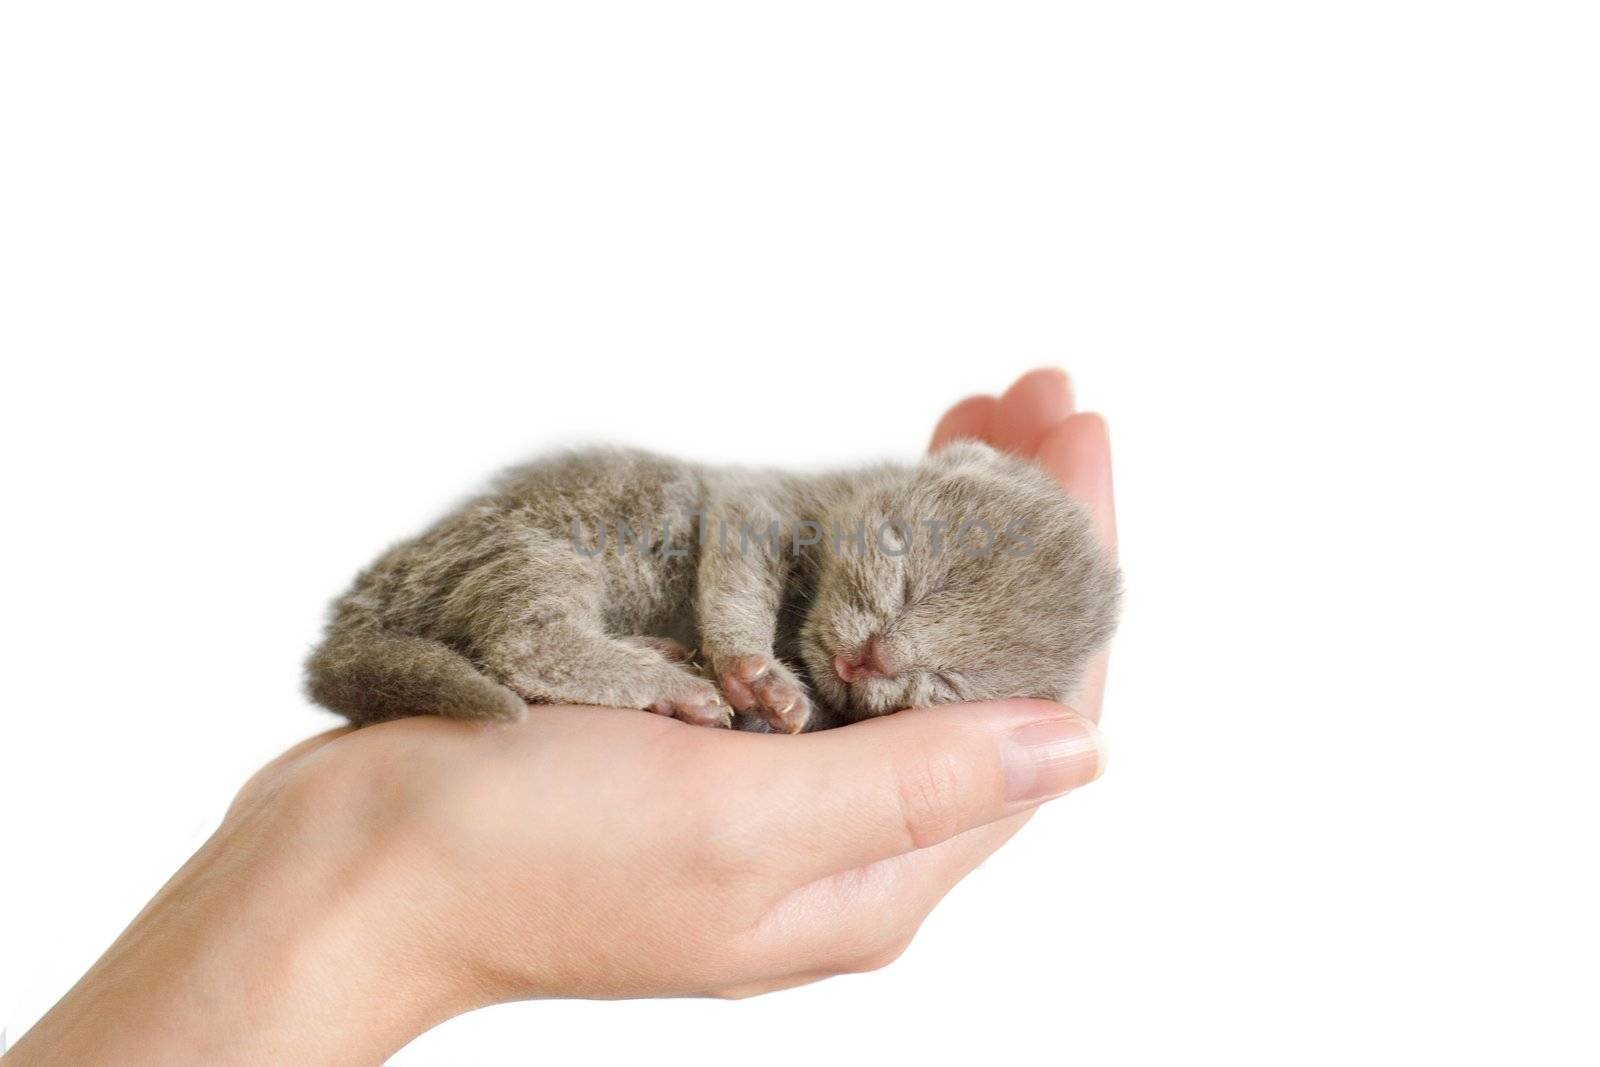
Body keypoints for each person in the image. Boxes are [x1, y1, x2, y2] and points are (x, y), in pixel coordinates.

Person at [1, 370, 1116, 1067]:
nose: (884, 654)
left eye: (942, 684)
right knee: (612, 525)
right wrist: (732, 650)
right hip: (590, 545)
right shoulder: (808, 514)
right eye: (908, 589)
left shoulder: (861, 659)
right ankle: (539, 642)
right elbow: (740, 526)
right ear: (920, 488)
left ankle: (546, 653)